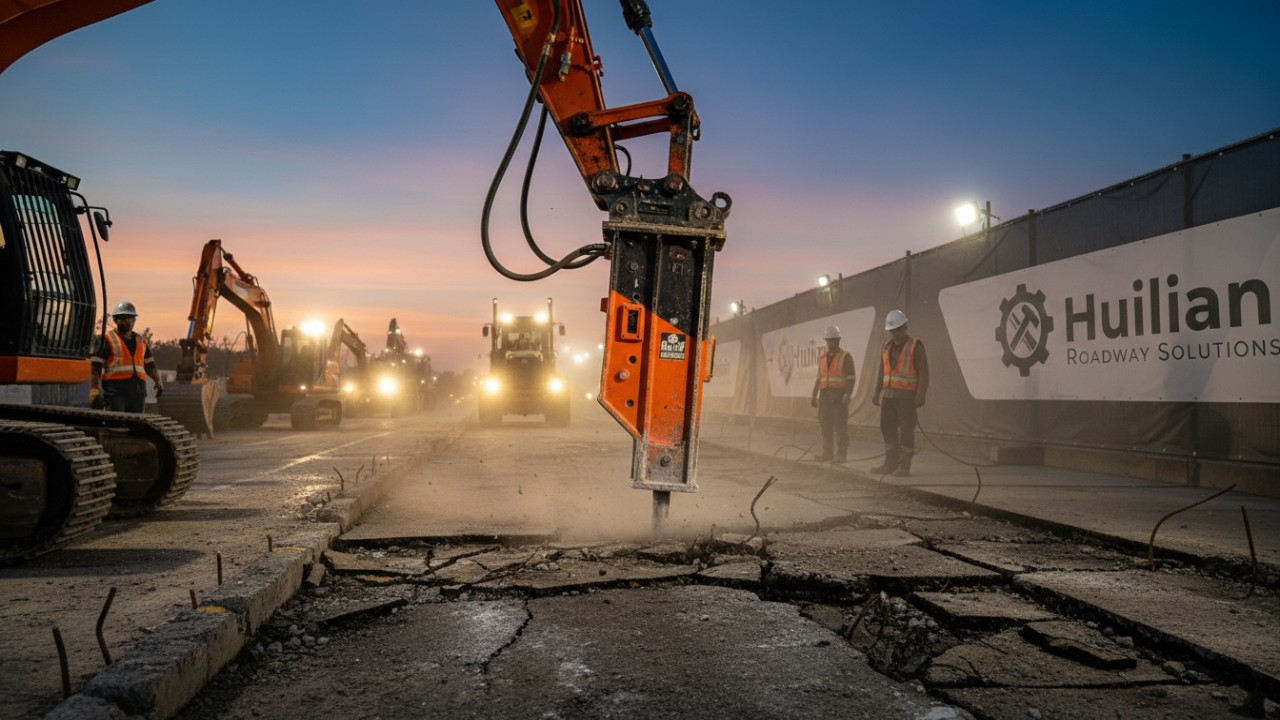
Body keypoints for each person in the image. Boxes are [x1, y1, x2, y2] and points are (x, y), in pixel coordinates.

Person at [870, 309, 928, 476]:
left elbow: (924, 372)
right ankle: (890, 463)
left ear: (905, 327)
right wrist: (876, 391)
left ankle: (904, 466)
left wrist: (920, 394)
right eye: (893, 330)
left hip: (906, 398)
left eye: (898, 329)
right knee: (887, 428)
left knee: (906, 431)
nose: (896, 333)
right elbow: (881, 372)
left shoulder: (915, 346)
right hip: (888, 397)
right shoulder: (886, 347)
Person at [89, 300, 164, 413]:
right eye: (124, 318)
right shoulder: (106, 339)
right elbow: (95, 367)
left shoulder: (141, 341)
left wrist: (158, 381)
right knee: (116, 421)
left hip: (138, 392)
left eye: (131, 318)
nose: (128, 321)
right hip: (115, 392)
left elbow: (150, 365)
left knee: (136, 422)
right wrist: (94, 389)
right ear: (115, 320)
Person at [810, 325, 855, 462]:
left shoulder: (846, 356)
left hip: (839, 396)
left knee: (840, 425)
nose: (831, 342)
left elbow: (851, 377)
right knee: (825, 424)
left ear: (838, 340)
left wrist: (848, 393)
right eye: (829, 340)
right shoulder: (823, 358)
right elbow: (819, 378)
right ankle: (827, 453)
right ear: (826, 341)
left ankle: (841, 455)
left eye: (834, 339)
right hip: (824, 396)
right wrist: (814, 394)